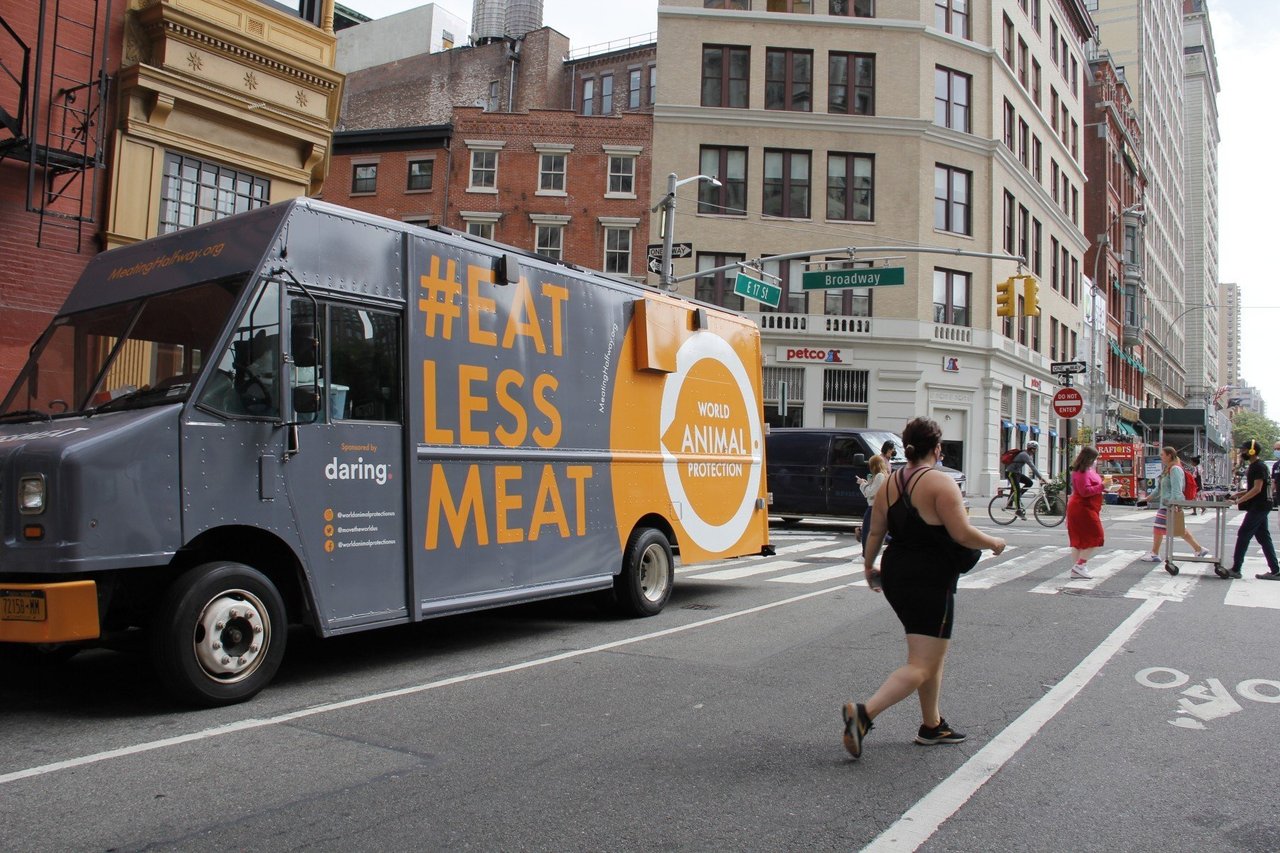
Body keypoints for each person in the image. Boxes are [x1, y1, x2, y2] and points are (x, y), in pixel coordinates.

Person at [841, 417, 1006, 760]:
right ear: (937, 448)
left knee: (928, 653)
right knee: (921, 663)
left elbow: (874, 532)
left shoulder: (889, 483)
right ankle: (864, 715)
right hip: (931, 575)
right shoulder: (939, 483)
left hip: (897, 572)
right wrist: (993, 542)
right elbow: (961, 534)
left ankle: (932, 725)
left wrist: (868, 565)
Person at [1221, 439, 1280, 580]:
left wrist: (1240, 500)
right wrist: (1238, 494)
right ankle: (1275, 570)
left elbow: (1257, 489)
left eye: (1244, 450)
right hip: (1260, 505)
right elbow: (1252, 488)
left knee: (1244, 534)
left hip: (1260, 506)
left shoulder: (1258, 467)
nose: (1242, 453)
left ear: (1252, 451)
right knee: (1263, 537)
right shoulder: (1255, 466)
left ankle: (1236, 569)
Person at [1139, 446, 1209, 564]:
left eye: (1162, 455)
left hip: (1169, 504)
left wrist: (1175, 504)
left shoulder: (1175, 469)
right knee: (1179, 529)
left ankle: (1154, 553)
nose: (1160, 457)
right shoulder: (1168, 468)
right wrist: (1147, 499)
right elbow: (1159, 488)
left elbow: (1177, 489)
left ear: (1169, 455)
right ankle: (1199, 549)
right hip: (1167, 504)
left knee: (1160, 528)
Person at [1066, 446, 1105, 578]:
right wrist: (1102, 487)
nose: (1096, 461)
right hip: (1083, 508)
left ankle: (1077, 568)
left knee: (1080, 540)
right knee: (1096, 536)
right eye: (1095, 458)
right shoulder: (1082, 473)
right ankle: (1080, 565)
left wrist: (1102, 487)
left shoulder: (1085, 470)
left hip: (1084, 507)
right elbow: (1084, 492)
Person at [1003, 440, 1047, 517]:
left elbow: (1033, 466)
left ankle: (1016, 498)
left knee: (1029, 482)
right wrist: (1041, 478)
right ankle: (1018, 510)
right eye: (1035, 449)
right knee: (1016, 489)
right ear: (1032, 449)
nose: (1036, 451)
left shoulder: (1028, 455)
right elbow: (1032, 467)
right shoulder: (1024, 455)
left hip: (1017, 473)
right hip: (1011, 473)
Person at [857, 454, 888, 549]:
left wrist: (862, 484)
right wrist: (867, 482)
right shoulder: (882, 475)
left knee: (866, 530)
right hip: (878, 507)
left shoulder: (879, 476)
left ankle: (865, 555)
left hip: (874, 507)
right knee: (875, 531)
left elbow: (870, 492)